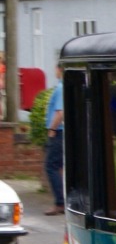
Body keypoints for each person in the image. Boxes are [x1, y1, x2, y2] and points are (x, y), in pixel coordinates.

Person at [44, 65, 65, 216]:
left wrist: (52, 129)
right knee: (59, 167)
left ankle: (60, 202)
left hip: (58, 132)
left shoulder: (60, 88)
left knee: (51, 166)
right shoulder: (63, 87)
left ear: (59, 69)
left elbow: (60, 112)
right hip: (59, 132)